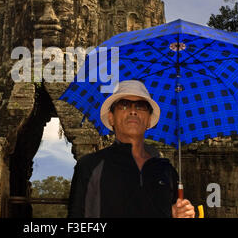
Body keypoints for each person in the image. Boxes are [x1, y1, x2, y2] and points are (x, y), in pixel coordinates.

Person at [67, 80, 195, 218]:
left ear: (149, 120)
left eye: (140, 106)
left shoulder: (166, 171)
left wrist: (180, 214)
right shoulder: (91, 166)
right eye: (124, 105)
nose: (133, 111)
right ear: (111, 118)